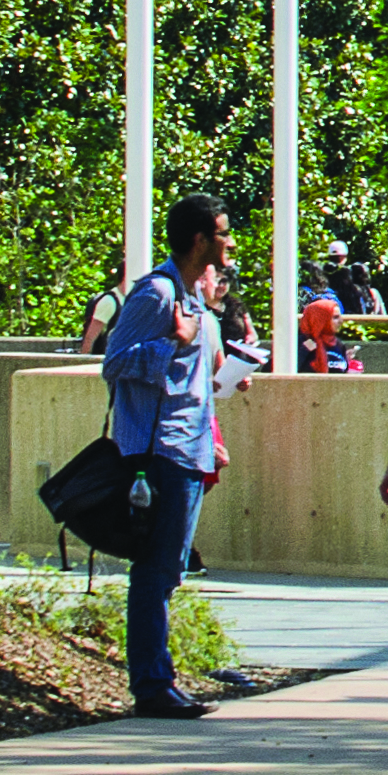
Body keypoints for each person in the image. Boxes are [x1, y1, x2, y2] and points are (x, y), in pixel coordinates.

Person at [98, 195, 235, 721]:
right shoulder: (156, 293)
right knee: (155, 569)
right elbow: (113, 362)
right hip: (158, 453)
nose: (228, 243)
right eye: (222, 233)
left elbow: (191, 376)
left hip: (189, 446)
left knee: (169, 569)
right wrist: (173, 344)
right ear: (199, 240)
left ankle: (157, 678)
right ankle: (152, 685)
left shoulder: (194, 296)